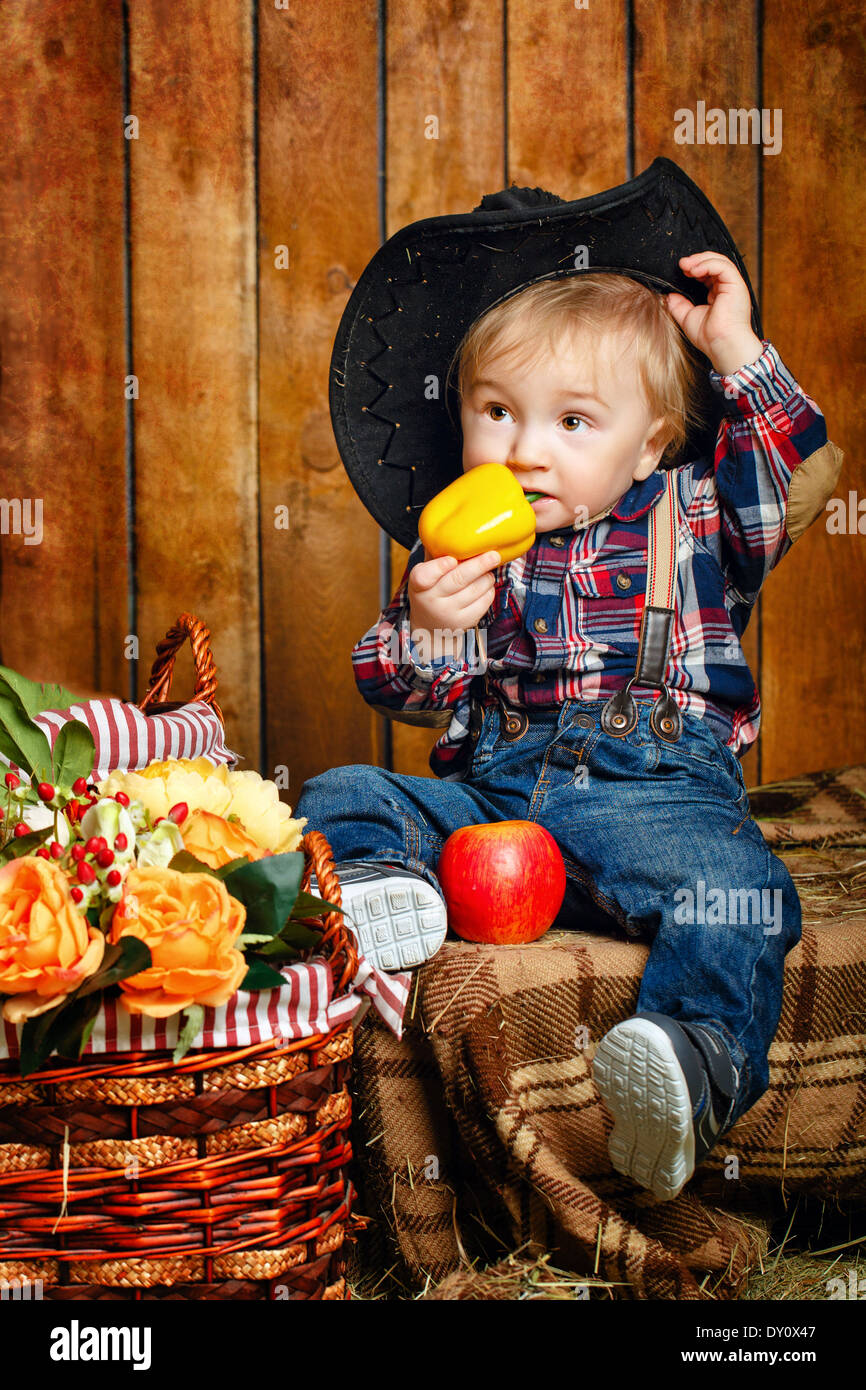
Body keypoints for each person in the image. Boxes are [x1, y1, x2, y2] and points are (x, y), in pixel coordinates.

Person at [297, 163, 843, 1200]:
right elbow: (396, 687)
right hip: (498, 799)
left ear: (651, 442)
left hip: (652, 793)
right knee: (343, 792)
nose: (525, 451)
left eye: (572, 423)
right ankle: (386, 892)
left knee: (737, 892)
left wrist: (735, 349)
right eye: (496, 412)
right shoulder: (466, 553)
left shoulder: (692, 513)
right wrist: (429, 625)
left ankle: (686, 1060)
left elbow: (788, 464)